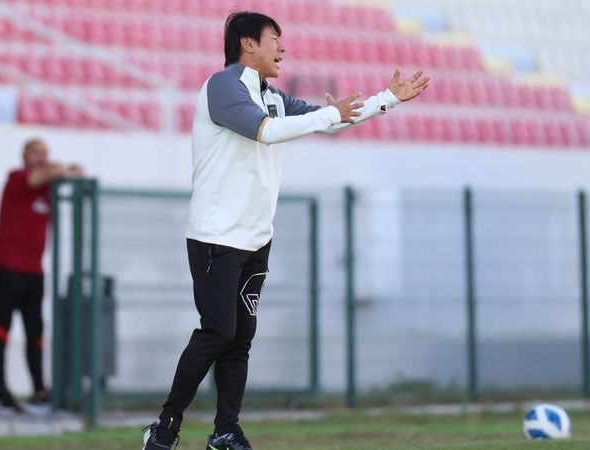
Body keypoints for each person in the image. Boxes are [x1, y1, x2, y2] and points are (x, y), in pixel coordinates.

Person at [141, 10, 430, 450]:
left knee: (240, 337)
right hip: (216, 237)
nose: (283, 47)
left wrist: (386, 98)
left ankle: (225, 431)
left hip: (256, 237)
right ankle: (164, 429)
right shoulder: (221, 87)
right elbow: (266, 132)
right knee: (217, 331)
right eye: (275, 38)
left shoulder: (271, 94)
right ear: (247, 44)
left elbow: (329, 118)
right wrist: (326, 115)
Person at [0, 138, 84, 413]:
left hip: (33, 272)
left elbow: (71, 173)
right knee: (2, 328)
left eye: (45, 152)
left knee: (36, 333)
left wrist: (68, 171)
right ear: (26, 156)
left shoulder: (47, 189)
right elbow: (45, 174)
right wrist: (62, 169)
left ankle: (39, 390)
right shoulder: (18, 178)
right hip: (6, 268)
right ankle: (2, 389)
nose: (42, 157)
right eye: (36, 152)